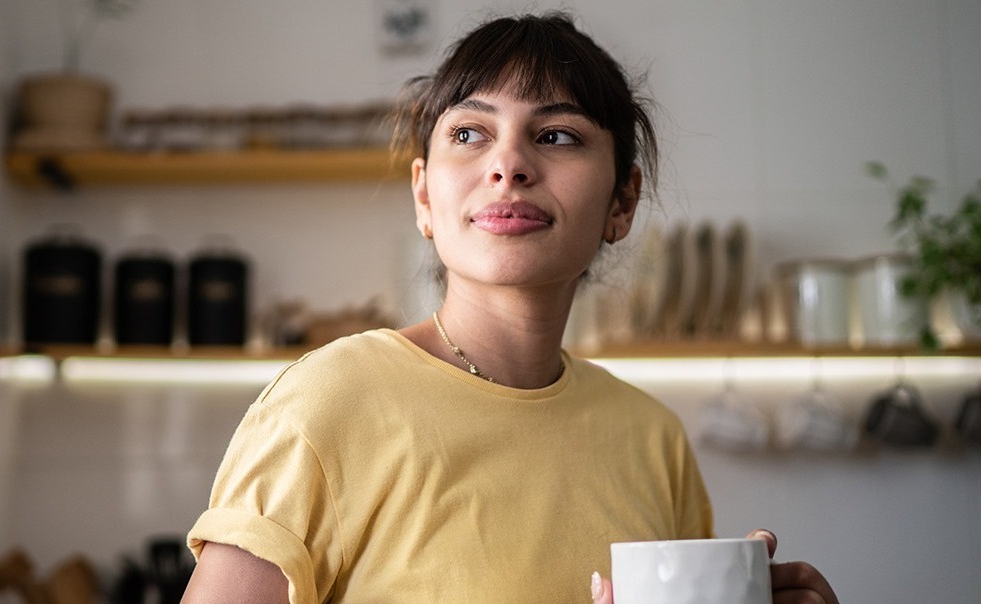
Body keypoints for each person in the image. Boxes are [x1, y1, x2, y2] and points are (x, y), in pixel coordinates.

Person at [182, 12, 839, 604]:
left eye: (556, 136)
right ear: (423, 196)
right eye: (469, 132)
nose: (509, 164)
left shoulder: (653, 438)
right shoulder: (324, 405)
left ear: (622, 202)